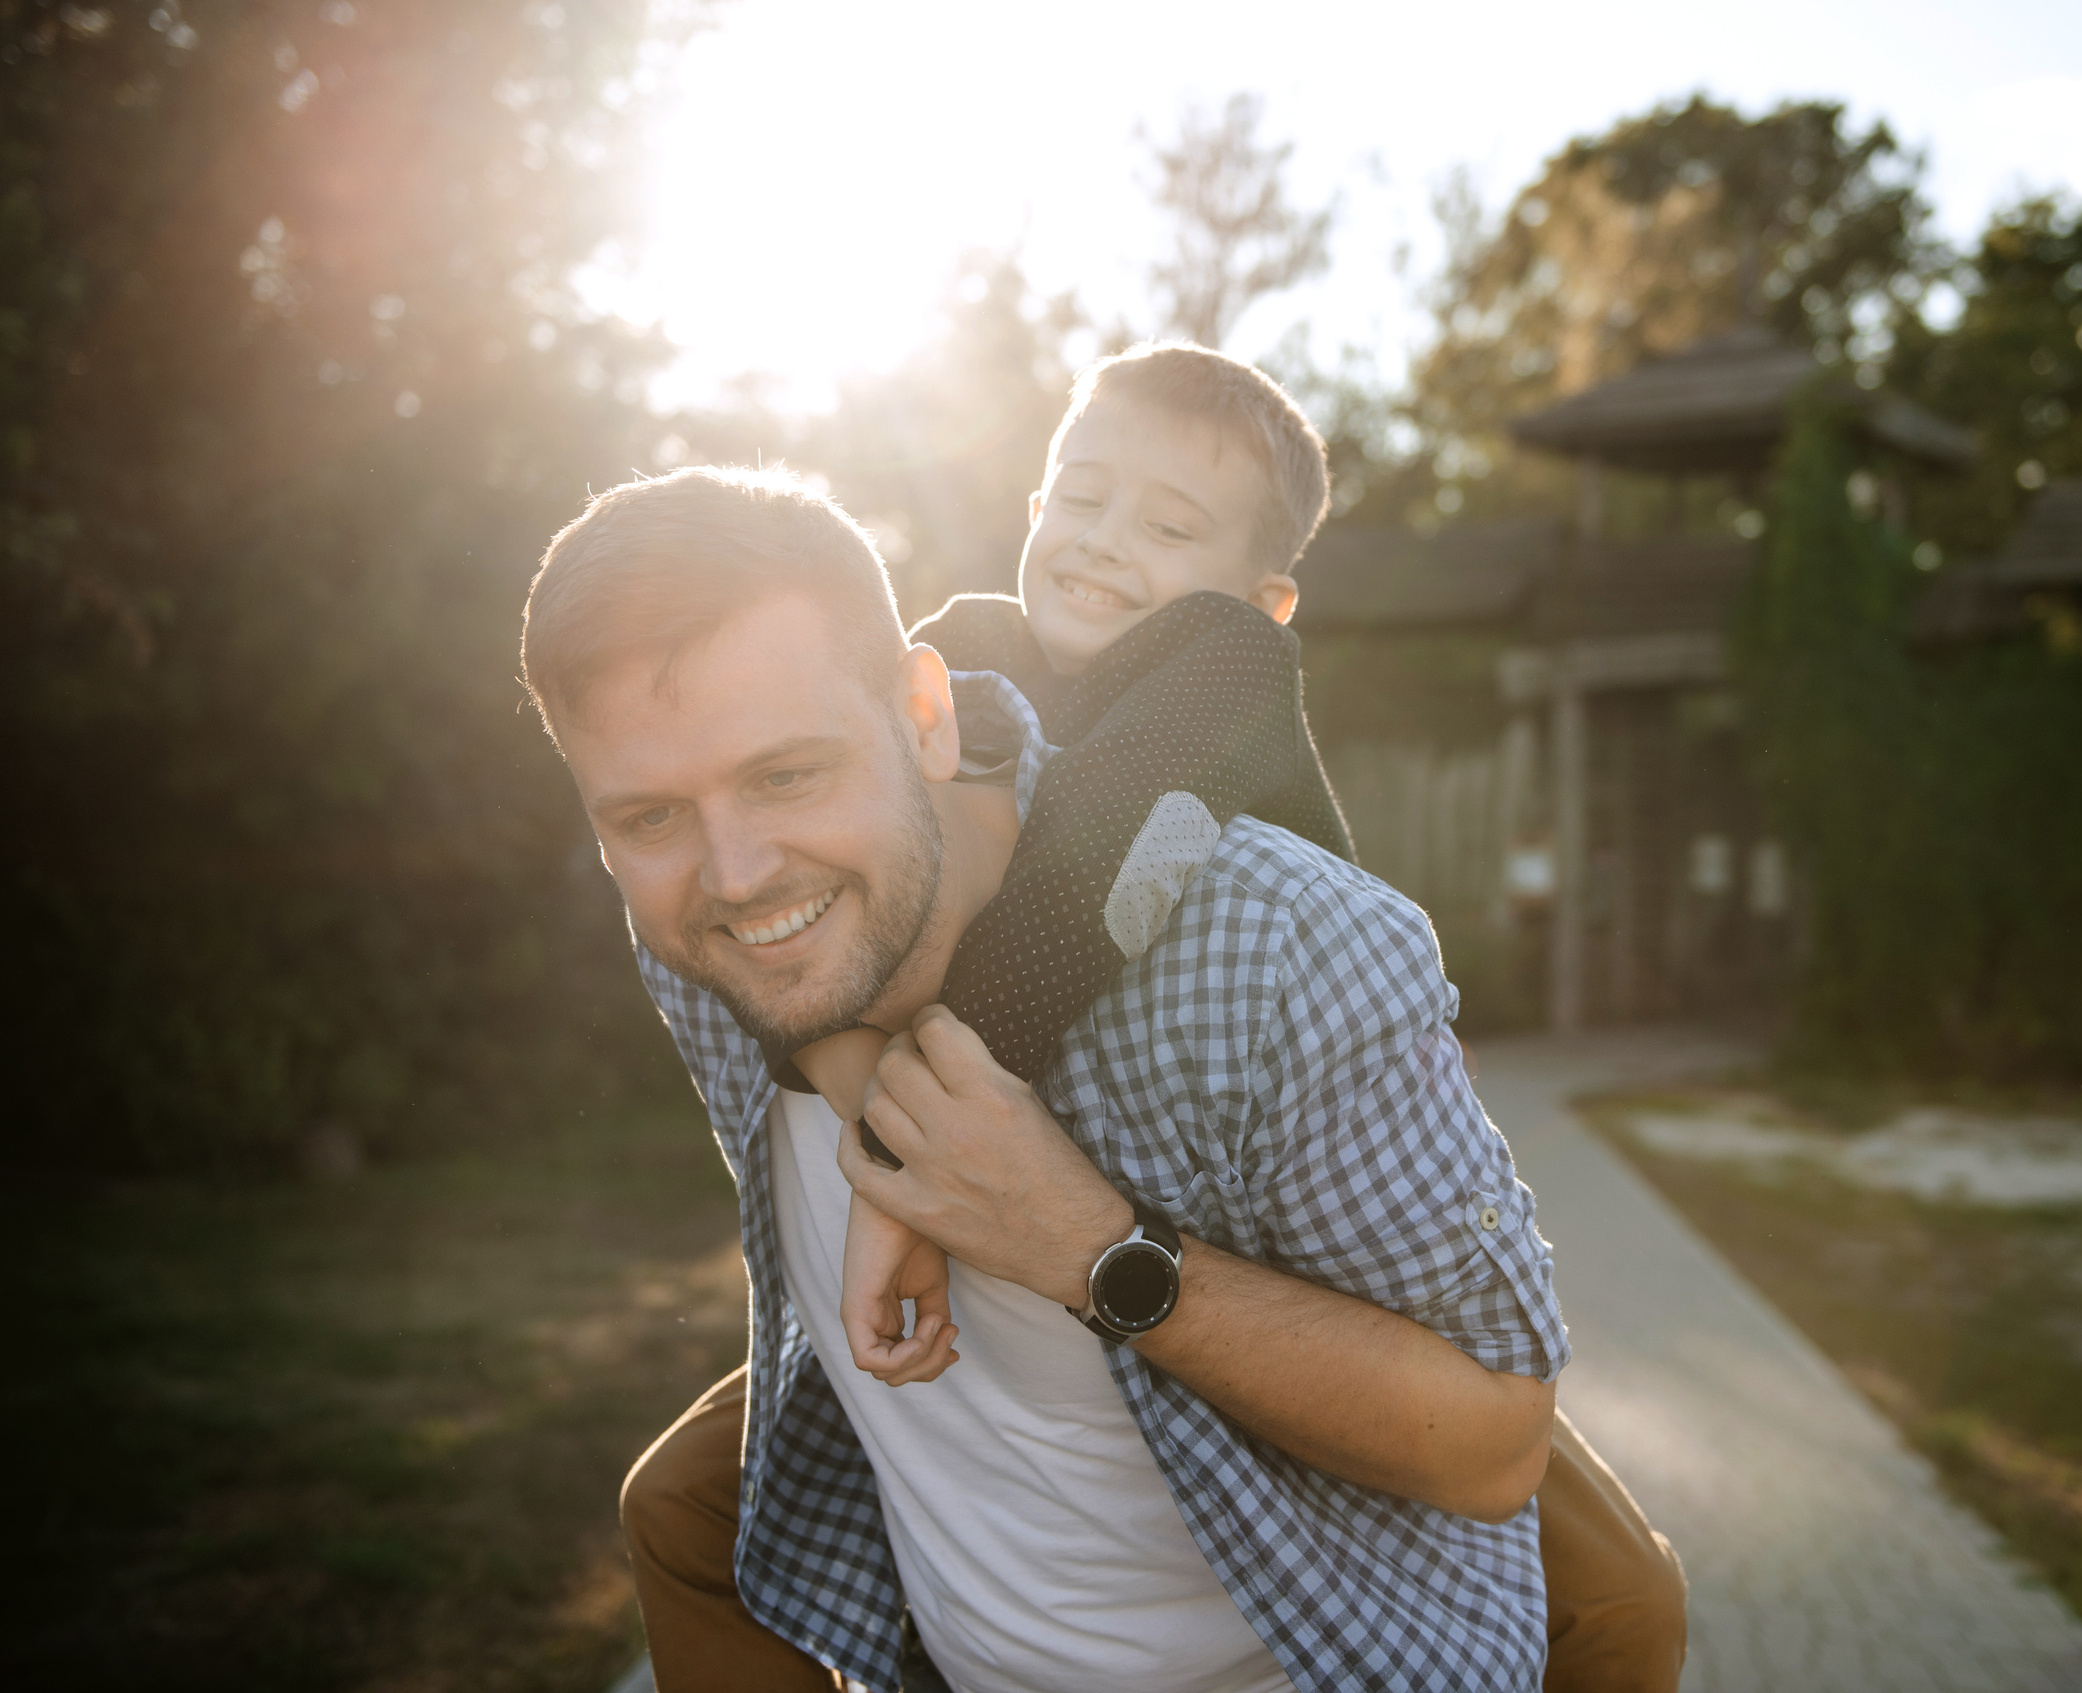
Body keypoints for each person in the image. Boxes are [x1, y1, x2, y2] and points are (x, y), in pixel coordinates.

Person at [526, 445, 1681, 1688]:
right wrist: (886, 1137)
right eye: (646, 816)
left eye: (786, 773)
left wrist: (1088, 1245)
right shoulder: (711, 939)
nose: (738, 870)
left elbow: (1496, 1442)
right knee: (678, 1501)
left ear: (925, 713)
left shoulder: (1279, 953)